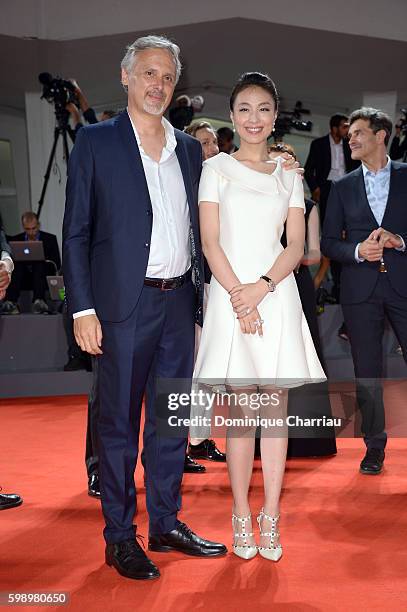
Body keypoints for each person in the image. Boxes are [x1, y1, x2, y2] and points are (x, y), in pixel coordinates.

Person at [63, 35, 227, 581]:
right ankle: (118, 536)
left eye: (167, 77)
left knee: (170, 421)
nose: (158, 85)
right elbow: (76, 234)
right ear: (126, 77)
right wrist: (81, 307)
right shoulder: (94, 141)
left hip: (179, 302)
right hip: (120, 309)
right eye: (149, 74)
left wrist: (280, 164)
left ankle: (165, 522)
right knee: (117, 427)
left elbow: (210, 215)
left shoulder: (187, 149)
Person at [193, 72, 325, 561]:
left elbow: (296, 247)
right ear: (232, 116)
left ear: (275, 115)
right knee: (240, 418)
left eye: (263, 108)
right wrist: (238, 296)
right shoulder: (216, 170)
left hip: (276, 296)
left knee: (273, 416)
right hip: (231, 300)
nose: (254, 118)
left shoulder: (290, 172)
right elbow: (210, 241)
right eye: (244, 109)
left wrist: (261, 289)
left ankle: (271, 515)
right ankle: (240, 517)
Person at [321, 107, 407, 475]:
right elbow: (327, 243)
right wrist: (357, 251)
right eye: (349, 133)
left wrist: (399, 241)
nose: (350, 138)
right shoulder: (341, 187)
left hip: (403, 286)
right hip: (360, 291)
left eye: (357, 132)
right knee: (366, 373)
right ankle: (374, 448)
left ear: (381, 135)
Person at [271, 143, 337, 457]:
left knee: (303, 356)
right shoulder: (255, 202)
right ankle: (261, 441)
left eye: (286, 162)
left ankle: (308, 439)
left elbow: (314, 252)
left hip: (296, 284)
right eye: (275, 161)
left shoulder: (308, 205)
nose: (281, 166)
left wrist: (294, 257)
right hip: (265, 286)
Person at [183, 120, 227, 470]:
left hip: (217, 285)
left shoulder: (223, 183)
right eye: (203, 143)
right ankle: (181, 443)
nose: (211, 149)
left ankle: (197, 439)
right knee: (189, 368)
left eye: (214, 142)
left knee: (207, 369)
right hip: (188, 287)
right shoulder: (184, 186)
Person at [2, 211, 61, 315]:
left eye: (34, 228)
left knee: (39, 263)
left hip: (42, 275)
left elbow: (56, 262)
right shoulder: (16, 239)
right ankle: (11, 302)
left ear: (38, 225)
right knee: (17, 264)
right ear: (23, 227)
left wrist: (41, 259)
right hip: (22, 276)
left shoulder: (50, 239)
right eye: (27, 229)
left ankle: (39, 301)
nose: (31, 232)